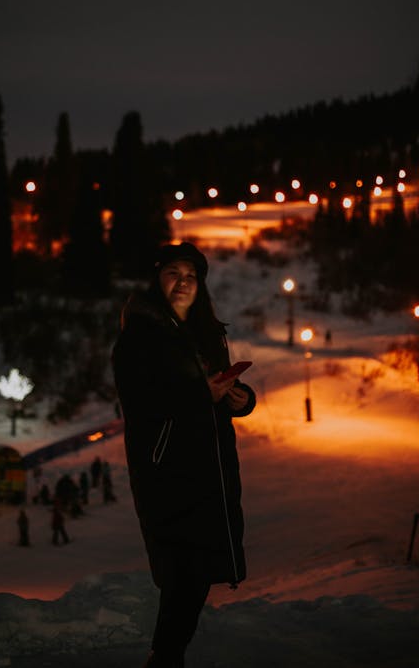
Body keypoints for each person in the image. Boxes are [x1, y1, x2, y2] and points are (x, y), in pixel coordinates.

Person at [112, 242, 256, 667]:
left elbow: (217, 394)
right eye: (173, 273)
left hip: (209, 470)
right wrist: (199, 394)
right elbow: (139, 402)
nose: (183, 282)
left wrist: (239, 399)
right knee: (183, 572)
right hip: (167, 470)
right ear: (157, 281)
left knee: (194, 574)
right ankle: (165, 658)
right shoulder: (140, 336)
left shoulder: (207, 334)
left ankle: (167, 656)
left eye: (191, 275)